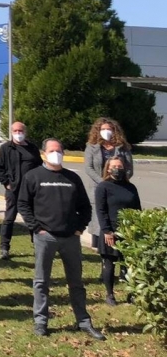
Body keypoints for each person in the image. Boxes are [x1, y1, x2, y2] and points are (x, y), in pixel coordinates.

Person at [17, 138, 105, 340]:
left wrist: (79, 228)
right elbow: (23, 205)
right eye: (52, 150)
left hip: (70, 238)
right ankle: (41, 321)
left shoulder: (72, 178)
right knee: (41, 281)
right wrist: (36, 228)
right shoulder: (33, 176)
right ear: (44, 153)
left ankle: (83, 321)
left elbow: (85, 207)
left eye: (59, 150)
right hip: (45, 237)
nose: (56, 153)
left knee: (76, 282)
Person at [95, 156, 141, 306]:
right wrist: (107, 231)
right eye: (114, 166)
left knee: (128, 265)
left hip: (128, 231)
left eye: (120, 166)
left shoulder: (131, 187)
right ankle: (110, 294)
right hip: (111, 231)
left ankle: (131, 293)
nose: (117, 169)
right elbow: (101, 211)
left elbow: (137, 209)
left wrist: (137, 229)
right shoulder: (103, 187)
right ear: (108, 169)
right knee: (109, 263)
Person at [84, 118, 134, 251]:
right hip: (99, 187)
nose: (107, 132)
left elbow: (129, 168)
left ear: (115, 131)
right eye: (103, 129)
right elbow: (89, 168)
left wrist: (120, 181)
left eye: (109, 129)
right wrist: (104, 183)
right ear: (98, 131)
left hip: (119, 188)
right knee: (100, 214)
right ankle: (102, 247)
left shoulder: (123, 147)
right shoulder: (91, 147)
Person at [0, 122, 42, 259]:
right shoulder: (5, 148)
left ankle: (38, 245)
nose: (18, 133)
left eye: (20, 130)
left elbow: (39, 165)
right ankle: (4, 247)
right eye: (15, 130)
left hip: (30, 190)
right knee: (9, 218)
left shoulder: (32, 148)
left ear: (25, 132)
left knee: (33, 218)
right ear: (11, 132)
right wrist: (6, 183)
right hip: (14, 190)